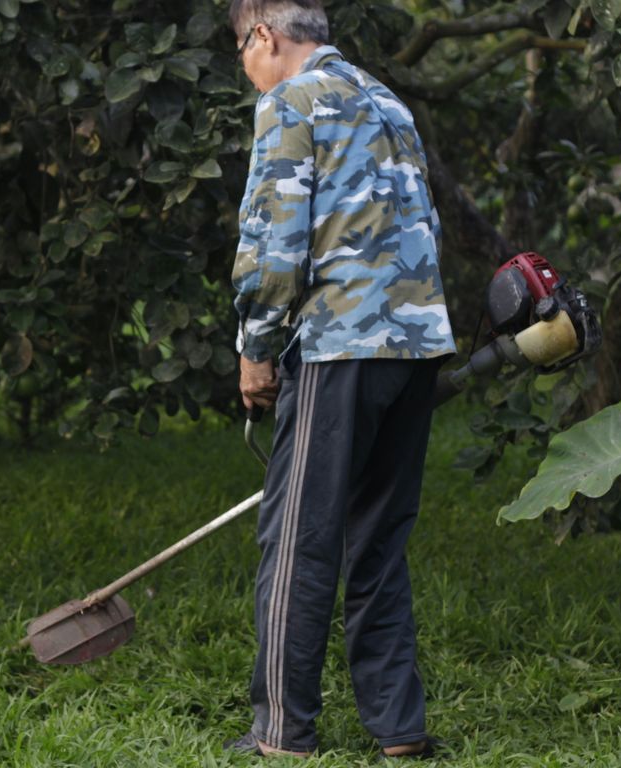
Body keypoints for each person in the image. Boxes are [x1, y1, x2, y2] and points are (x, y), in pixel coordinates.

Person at [223, 0, 456, 759]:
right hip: (415, 345)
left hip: (341, 345)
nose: (246, 71)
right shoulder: (385, 98)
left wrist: (256, 347)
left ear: (264, 35)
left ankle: (283, 733)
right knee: (378, 539)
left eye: (241, 51)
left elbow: (277, 243)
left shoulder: (291, 100)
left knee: (299, 538)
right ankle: (400, 732)